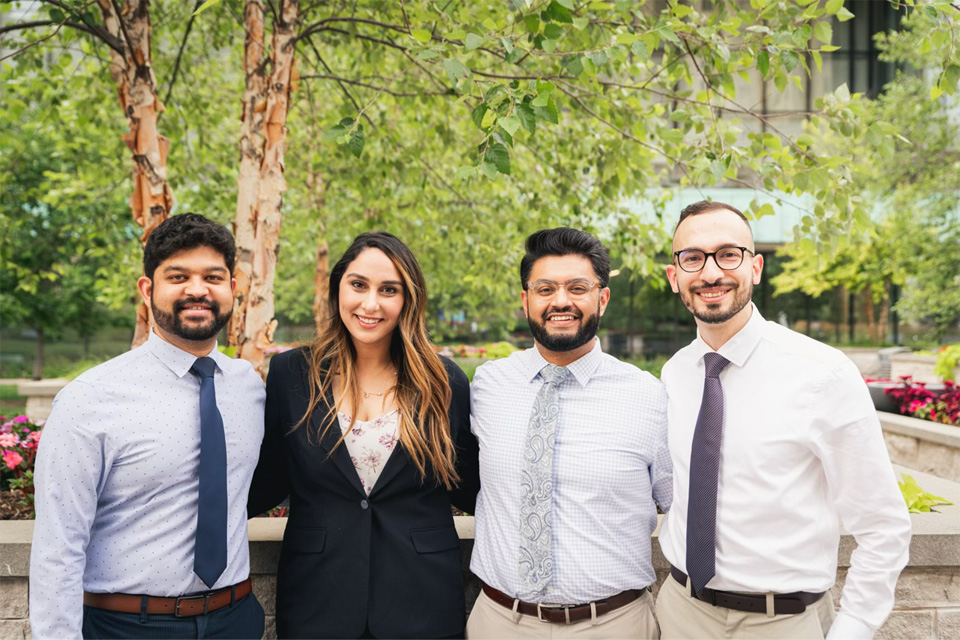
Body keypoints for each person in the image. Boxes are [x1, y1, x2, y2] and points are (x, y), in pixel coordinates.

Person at [657, 200, 912, 640]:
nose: (711, 272)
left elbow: (883, 524)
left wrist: (853, 628)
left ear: (755, 267)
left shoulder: (822, 373)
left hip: (783, 623)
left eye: (728, 254)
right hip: (681, 612)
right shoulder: (675, 372)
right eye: (693, 258)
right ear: (674, 275)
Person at [30, 213, 266, 639]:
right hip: (126, 627)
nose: (197, 290)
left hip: (236, 620)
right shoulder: (89, 399)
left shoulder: (249, 388)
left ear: (233, 289)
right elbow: (57, 548)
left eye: (213, 277)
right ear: (147, 289)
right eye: (178, 276)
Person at [248, 231, 480, 639]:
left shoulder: (444, 382)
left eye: (388, 289)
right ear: (338, 287)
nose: (370, 303)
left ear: (408, 299)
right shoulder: (291, 375)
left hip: (422, 601)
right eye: (358, 285)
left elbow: (471, 487)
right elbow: (267, 480)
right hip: (317, 600)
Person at [466, 228, 670, 639]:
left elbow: (681, 506)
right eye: (545, 289)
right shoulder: (487, 386)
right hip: (500, 622)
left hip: (614, 624)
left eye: (577, 287)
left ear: (603, 298)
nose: (561, 301)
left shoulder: (650, 396)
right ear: (526, 300)